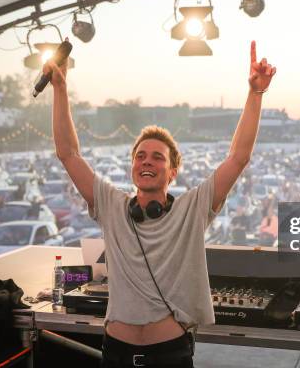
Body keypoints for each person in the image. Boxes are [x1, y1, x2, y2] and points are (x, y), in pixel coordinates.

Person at [47, 40, 276, 368]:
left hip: (169, 354)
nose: (147, 161)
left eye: (157, 157)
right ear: (132, 167)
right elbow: (68, 154)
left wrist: (255, 95)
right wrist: (60, 88)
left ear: (173, 170)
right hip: (116, 352)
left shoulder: (192, 208)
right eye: (140, 156)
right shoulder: (113, 206)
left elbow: (238, 157)